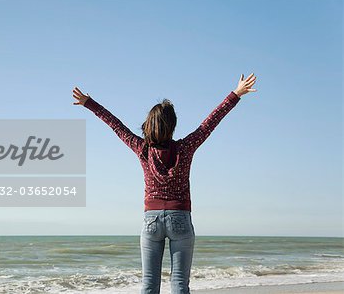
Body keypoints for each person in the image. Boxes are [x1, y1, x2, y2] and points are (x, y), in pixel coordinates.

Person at [72, 73, 257, 294]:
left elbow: (116, 125)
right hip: (181, 218)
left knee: (149, 285)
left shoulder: (142, 149)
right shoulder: (185, 148)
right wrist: (235, 94)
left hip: (151, 221)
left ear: (149, 125)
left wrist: (88, 103)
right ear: (173, 126)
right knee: (179, 284)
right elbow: (209, 123)